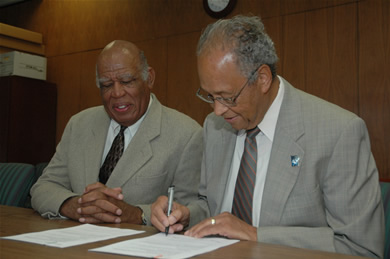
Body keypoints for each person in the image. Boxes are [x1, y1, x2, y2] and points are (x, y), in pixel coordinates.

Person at [151, 15, 384, 258]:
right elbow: (211, 207)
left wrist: (255, 235)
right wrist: (186, 215)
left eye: (227, 97)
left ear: (262, 78)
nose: (217, 110)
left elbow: (359, 247)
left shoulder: (338, 133)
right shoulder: (215, 127)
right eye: (210, 96)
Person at [30, 40, 203, 226]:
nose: (117, 93)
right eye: (106, 85)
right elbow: (43, 188)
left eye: (127, 81)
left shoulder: (187, 134)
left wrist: (136, 214)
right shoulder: (79, 124)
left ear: (149, 78)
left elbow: (191, 210)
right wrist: (77, 206)